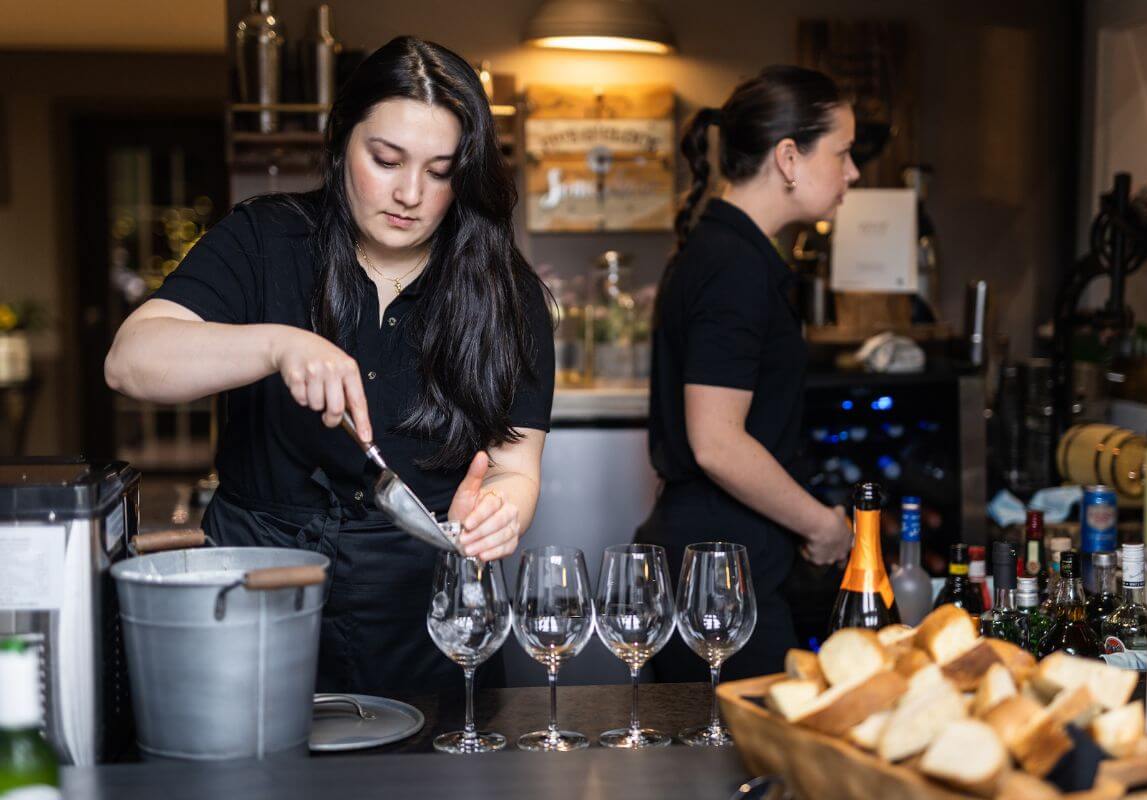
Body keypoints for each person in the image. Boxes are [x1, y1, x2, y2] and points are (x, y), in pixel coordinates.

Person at [105, 36, 554, 696]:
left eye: (439, 171)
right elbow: (130, 362)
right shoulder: (266, 238)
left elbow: (515, 468)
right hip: (261, 591)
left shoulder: (505, 291)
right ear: (342, 139)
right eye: (385, 159)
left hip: (427, 608)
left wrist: (498, 512)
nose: (409, 193)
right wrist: (276, 344)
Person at [638, 66, 859, 682]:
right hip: (717, 575)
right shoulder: (734, 266)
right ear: (789, 157)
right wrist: (823, 525)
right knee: (738, 769)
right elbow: (717, 443)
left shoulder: (728, 252)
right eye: (842, 153)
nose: (853, 173)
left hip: (719, 564)